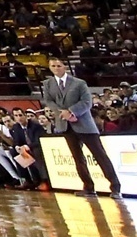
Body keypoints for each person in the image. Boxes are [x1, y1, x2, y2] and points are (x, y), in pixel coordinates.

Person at [41, 57, 121, 195]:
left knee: (100, 155)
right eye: (53, 66)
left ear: (64, 66)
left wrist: (71, 111)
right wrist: (62, 113)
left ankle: (115, 187)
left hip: (84, 124)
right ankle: (88, 187)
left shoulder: (79, 83)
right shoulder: (48, 84)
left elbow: (86, 102)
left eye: (58, 65)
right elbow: (48, 101)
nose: (56, 68)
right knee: (77, 158)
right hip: (65, 125)